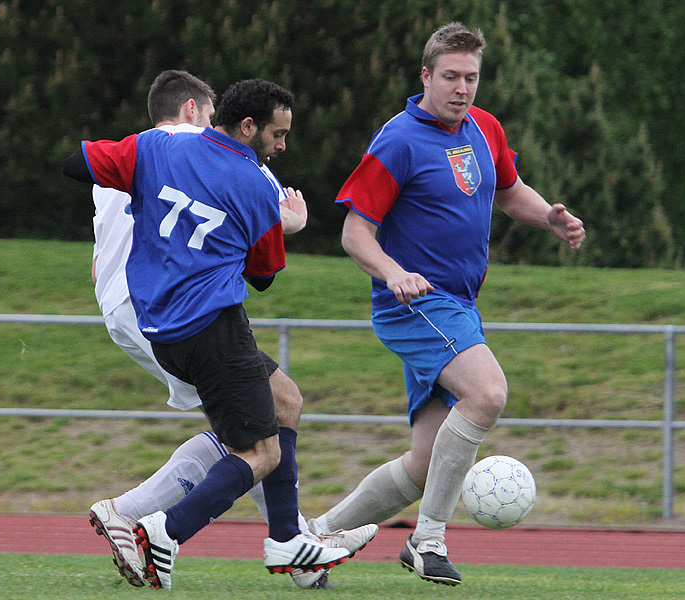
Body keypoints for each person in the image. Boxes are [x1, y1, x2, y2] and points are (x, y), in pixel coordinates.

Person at [307, 22, 586, 587]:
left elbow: (509, 192)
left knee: (424, 461)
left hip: (457, 305)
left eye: (472, 78)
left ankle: (314, 539)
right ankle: (427, 539)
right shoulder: (398, 139)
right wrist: (394, 273)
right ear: (426, 77)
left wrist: (549, 218)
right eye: (452, 77)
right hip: (413, 304)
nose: (462, 88)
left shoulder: (484, 127)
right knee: (488, 393)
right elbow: (355, 234)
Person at [64, 78, 371, 590]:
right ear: (246, 126)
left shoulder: (153, 146)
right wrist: (285, 226)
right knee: (259, 448)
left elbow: (76, 165)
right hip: (211, 327)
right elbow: (265, 277)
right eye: (278, 134)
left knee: (284, 402)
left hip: (158, 324)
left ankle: (291, 541)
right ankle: (164, 527)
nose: (282, 145)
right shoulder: (254, 183)